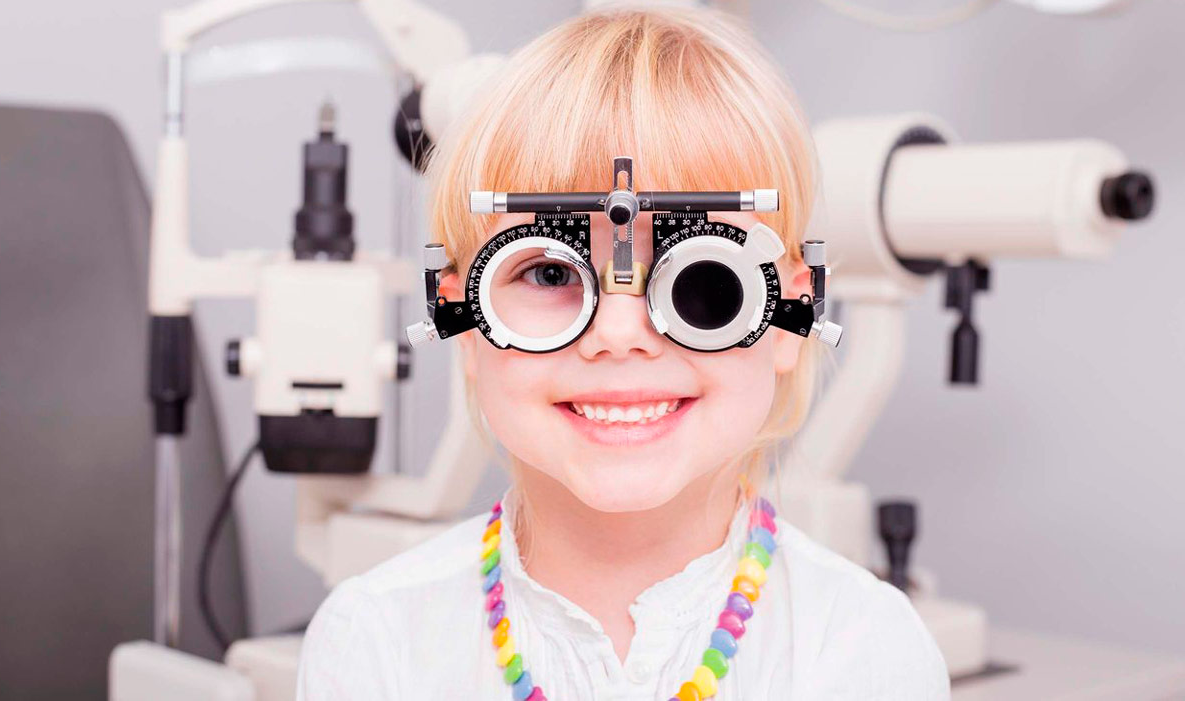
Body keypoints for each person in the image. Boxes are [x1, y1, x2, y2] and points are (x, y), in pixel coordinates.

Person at [297, 5, 949, 699]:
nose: (618, 331)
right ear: (462, 318)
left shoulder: (865, 652)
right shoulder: (375, 641)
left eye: (701, 273)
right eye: (550, 271)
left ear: (790, 316)